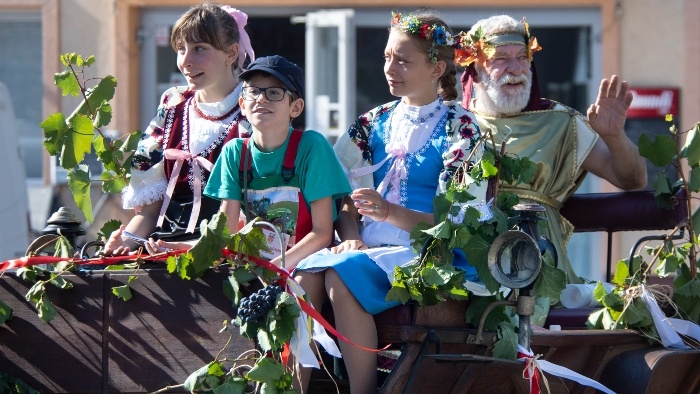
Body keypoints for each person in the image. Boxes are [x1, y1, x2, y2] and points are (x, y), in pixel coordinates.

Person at [292, 11, 484, 393]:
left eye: (403, 60)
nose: (389, 68)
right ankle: (292, 387)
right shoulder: (372, 122)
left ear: (436, 69)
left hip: (433, 253)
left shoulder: (462, 128)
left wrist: (389, 212)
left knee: (339, 273)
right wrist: (350, 233)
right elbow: (339, 191)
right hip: (369, 249)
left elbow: (458, 222)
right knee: (304, 275)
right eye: (386, 57)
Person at [457, 15, 647, 284]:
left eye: (522, 57)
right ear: (474, 70)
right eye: (500, 58)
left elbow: (633, 180)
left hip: (540, 266)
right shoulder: (455, 124)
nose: (515, 69)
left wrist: (614, 136)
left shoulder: (562, 122)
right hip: (469, 267)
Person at [103, 3, 256, 256]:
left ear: (231, 53)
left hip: (233, 257)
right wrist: (125, 243)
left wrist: (197, 249)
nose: (185, 61)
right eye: (181, 49)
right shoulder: (172, 106)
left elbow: (263, 214)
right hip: (164, 251)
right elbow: (151, 212)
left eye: (199, 49)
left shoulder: (255, 112)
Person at [204, 55, 351, 270]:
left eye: (274, 93)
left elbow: (322, 233)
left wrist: (277, 267)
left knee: (303, 282)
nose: (261, 99)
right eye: (253, 91)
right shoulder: (234, 152)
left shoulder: (312, 146)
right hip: (256, 266)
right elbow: (227, 229)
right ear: (242, 104)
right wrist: (188, 248)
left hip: (309, 263)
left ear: (296, 108)